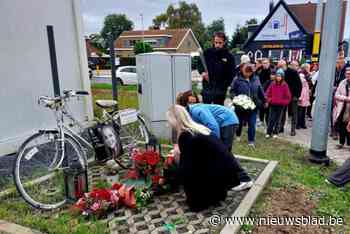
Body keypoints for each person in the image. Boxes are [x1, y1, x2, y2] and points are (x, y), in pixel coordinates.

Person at [166, 105, 241, 211]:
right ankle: (215, 196)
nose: (168, 124)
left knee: (190, 175)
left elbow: (188, 167)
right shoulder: (198, 128)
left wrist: (175, 175)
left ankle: (202, 200)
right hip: (227, 170)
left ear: (174, 121)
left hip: (218, 172)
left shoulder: (185, 135)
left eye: (169, 121)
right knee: (201, 167)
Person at [230, 63, 266, 147]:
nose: (247, 74)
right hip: (240, 106)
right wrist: (235, 99)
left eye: (249, 72)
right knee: (239, 122)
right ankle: (238, 135)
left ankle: (251, 141)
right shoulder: (237, 79)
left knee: (252, 124)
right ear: (243, 71)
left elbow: (260, 90)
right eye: (246, 72)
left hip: (253, 106)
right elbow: (232, 91)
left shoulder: (256, 79)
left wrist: (265, 100)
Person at [199, 32, 236, 105]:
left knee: (218, 111)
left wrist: (225, 85)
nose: (218, 45)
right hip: (207, 88)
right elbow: (199, 64)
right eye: (216, 42)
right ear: (213, 41)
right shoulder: (207, 53)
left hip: (220, 90)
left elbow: (232, 73)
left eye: (220, 43)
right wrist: (203, 73)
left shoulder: (229, 56)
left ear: (224, 42)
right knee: (206, 109)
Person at [277, 60, 302, 136]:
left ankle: (293, 129)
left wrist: (297, 96)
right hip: (284, 96)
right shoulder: (280, 73)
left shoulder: (293, 72)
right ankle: (281, 127)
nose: (280, 68)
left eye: (281, 66)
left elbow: (299, 85)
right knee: (282, 112)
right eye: (279, 66)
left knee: (294, 113)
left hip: (293, 95)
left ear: (285, 65)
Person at [265, 69, 291, 138]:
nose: (278, 78)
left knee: (278, 120)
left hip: (280, 106)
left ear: (282, 77)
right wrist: (269, 100)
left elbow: (288, 96)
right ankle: (268, 132)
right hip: (273, 105)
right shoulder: (272, 84)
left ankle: (275, 132)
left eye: (280, 76)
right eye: (277, 76)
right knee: (271, 119)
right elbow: (268, 93)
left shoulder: (285, 85)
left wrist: (283, 102)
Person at [333, 66, 350, 148]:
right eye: (347, 73)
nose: (348, 75)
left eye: (349, 73)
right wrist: (346, 98)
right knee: (342, 125)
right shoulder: (342, 83)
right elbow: (336, 95)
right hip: (342, 107)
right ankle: (341, 142)